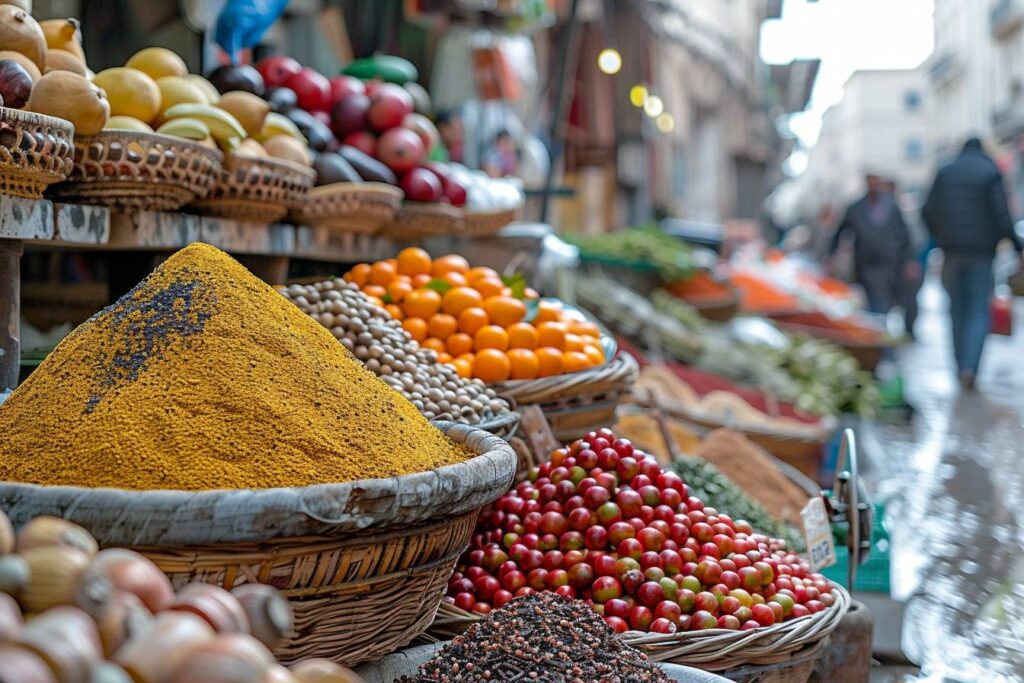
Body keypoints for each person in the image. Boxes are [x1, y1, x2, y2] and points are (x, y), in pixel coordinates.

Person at [921, 137, 1023, 389]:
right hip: (982, 253)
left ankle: (959, 365)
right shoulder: (990, 171)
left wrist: (941, 237)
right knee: (978, 310)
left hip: (952, 252)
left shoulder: (946, 171)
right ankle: (970, 367)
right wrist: (1015, 244)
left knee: (956, 310)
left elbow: (927, 211)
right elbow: (1002, 214)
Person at [828, 174, 914, 315]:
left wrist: (909, 260)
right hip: (865, 263)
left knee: (884, 298)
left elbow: (905, 235)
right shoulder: (856, 208)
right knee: (874, 298)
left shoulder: (891, 207)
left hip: (888, 263)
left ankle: (879, 324)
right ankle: (877, 325)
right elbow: (840, 232)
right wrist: (831, 256)